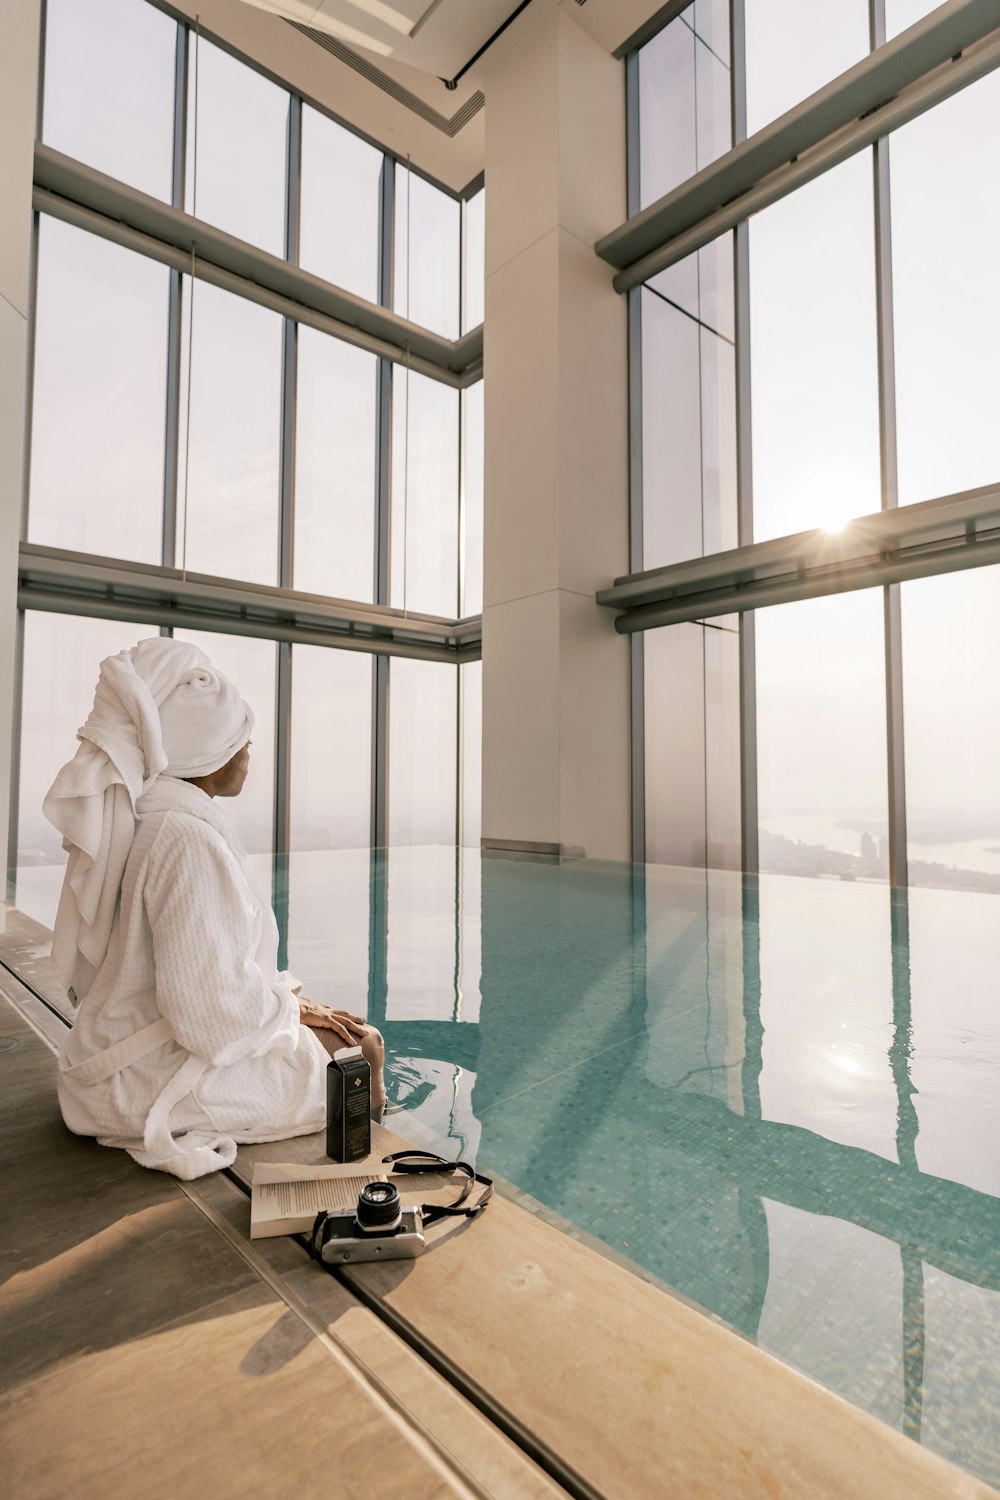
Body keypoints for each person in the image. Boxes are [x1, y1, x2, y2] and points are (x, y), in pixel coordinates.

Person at [45, 636, 384, 1180]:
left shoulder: (154, 819)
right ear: (207, 749)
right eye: (241, 740)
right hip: (139, 1081)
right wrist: (290, 1013)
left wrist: (290, 1007)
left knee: (340, 1038)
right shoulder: (185, 839)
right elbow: (208, 1018)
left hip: (124, 1052)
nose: (250, 754)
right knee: (362, 1054)